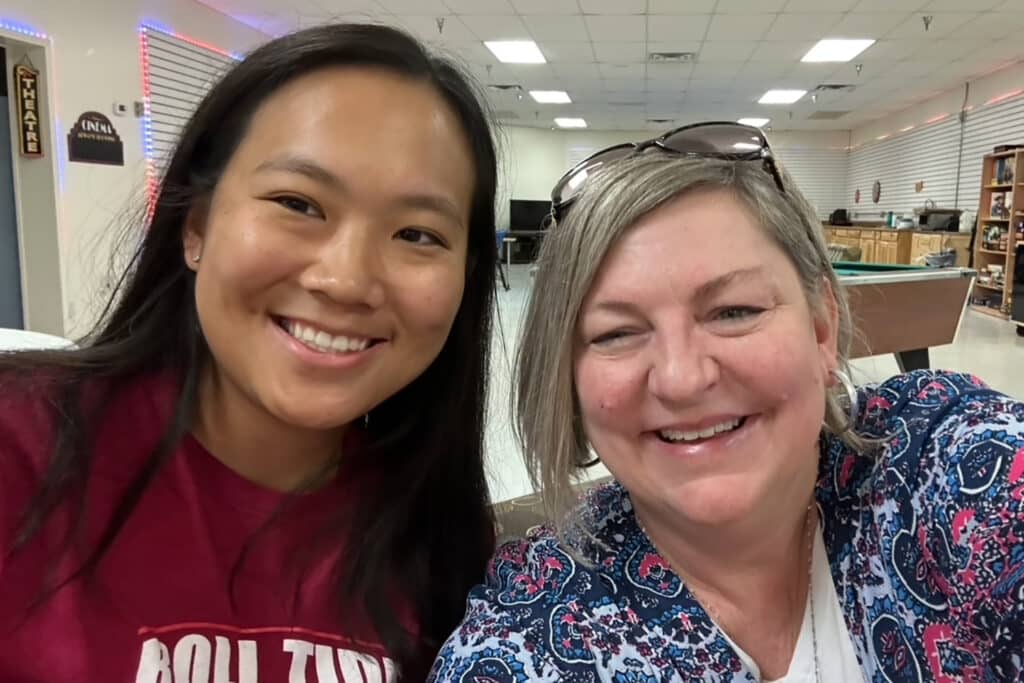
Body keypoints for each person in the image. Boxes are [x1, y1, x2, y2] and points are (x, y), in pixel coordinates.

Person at [430, 123, 1024, 682]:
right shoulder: (529, 636)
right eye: (616, 333)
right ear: (569, 382)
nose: (682, 379)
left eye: (734, 311)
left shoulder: (947, 464)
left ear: (822, 328)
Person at [0, 23, 499, 681]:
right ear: (196, 225)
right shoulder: (22, 445)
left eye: (417, 234)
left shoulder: (441, 537)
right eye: (298, 203)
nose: (346, 280)